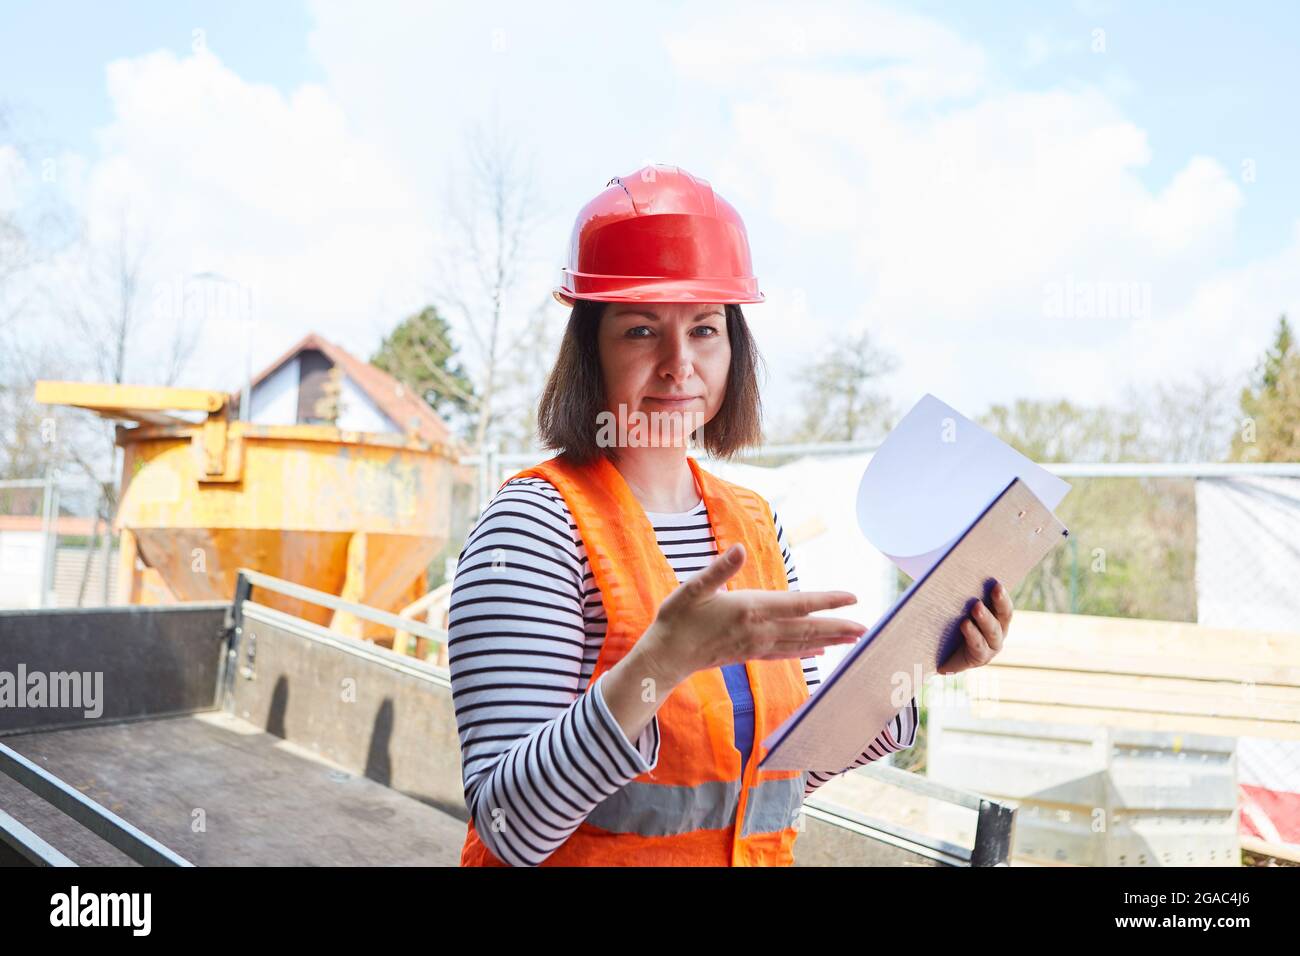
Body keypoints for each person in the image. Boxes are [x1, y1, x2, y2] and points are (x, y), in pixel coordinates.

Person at [449, 165, 1014, 867]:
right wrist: (663, 662)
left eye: (706, 329)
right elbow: (509, 823)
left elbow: (781, 777)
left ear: (734, 348)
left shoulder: (753, 523)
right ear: (589, 350)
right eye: (640, 330)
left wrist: (914, 665)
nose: (679, 363)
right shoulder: (534, 527)